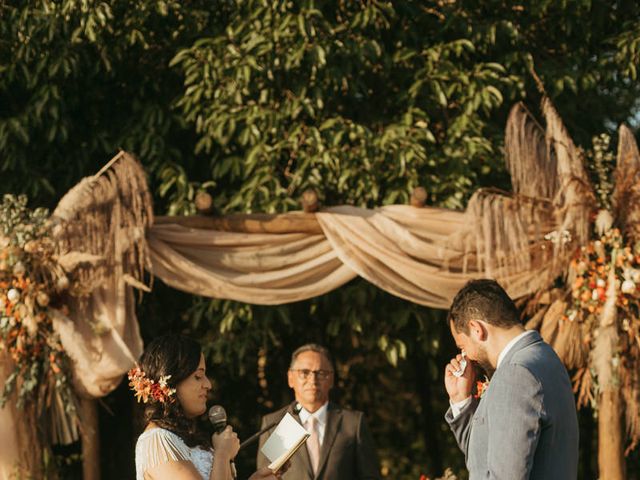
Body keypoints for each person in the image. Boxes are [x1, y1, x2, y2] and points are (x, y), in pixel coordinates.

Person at [444, 279, 579, 479]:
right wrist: (460, 400)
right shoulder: (544, 357)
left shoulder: (515, 374)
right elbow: (483, 460)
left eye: (463, 347)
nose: (466, 358)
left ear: (476, 329)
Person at [131, 335, 282, 480]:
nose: (208, 385)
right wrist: (222, 454)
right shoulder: (157, 441)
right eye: (198, 376)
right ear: (172, 382)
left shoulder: (185, 437)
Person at [256, 344, 381, 480]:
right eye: (304, 373)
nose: (313, 380)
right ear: (290, 378)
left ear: (332, 379)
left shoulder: (352, 424)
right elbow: (265, 477)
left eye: (321, 373)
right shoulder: (275, 424)